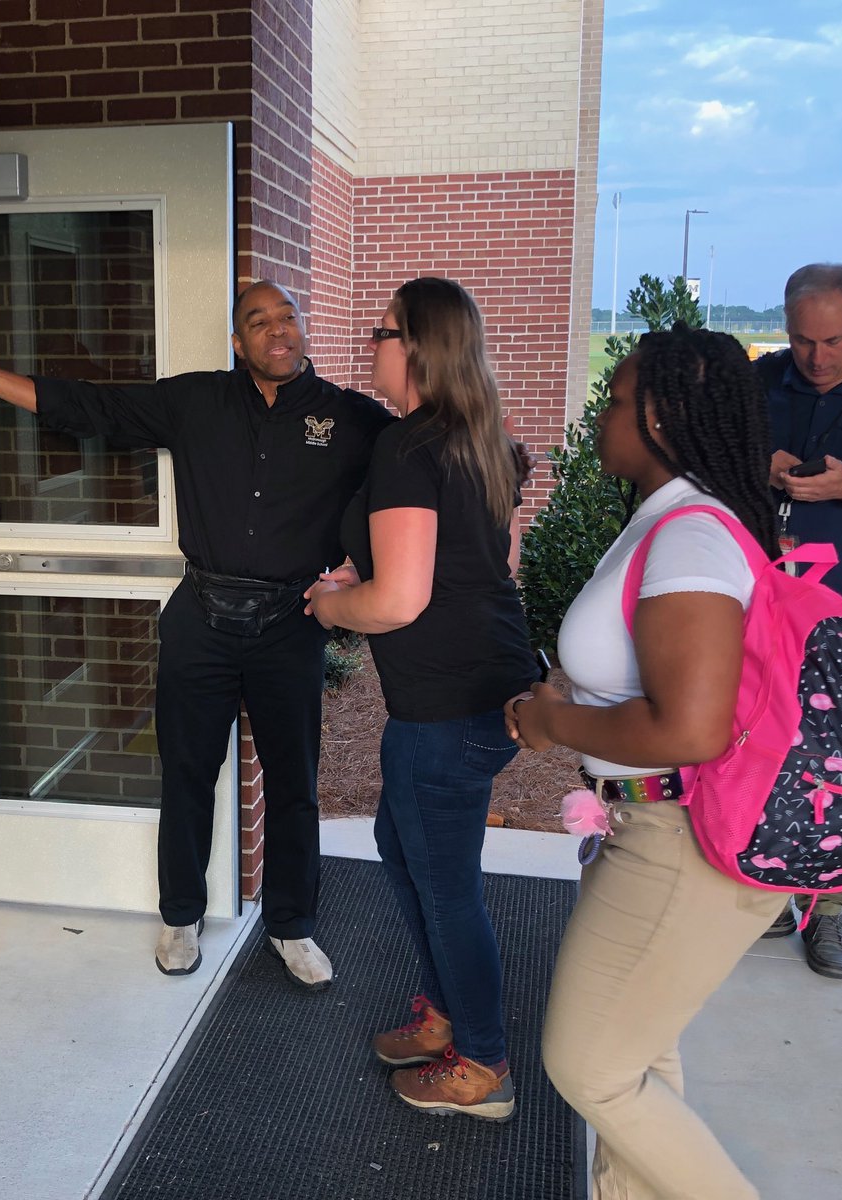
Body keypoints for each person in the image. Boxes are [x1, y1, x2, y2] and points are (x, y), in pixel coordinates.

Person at [0, 281, 394, 989]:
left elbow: (402, 492)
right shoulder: (195, 401)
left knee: (293, 787)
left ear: (301, 328)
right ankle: (181, 915)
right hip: (202, 622)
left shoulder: (353, 420)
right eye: (258, 321)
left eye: (287, 317)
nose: (277, 330)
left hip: (290, 624)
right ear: (236, 341)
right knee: (188, 774)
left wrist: (357, 568)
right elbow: (92, 407)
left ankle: (291, 926)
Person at [505, 325, 785, 1198]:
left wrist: (555, 725)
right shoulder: (668, 519)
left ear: (661, 417)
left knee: (588, 1068)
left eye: (618, 401)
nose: (602, 416)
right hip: (644, 825)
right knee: (640, 1053)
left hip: (678, 838)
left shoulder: (693, 536)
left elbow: (691, 728)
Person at [306, 277, 537, 1121]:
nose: (373, 343)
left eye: (383, 331)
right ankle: (448, 1016)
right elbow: (484, 570)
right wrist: (365, 575)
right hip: (482, 690)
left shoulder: (409, 446)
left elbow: (399, 604)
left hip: (445, 710)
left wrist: (332, 604)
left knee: (443, 886)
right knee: (405, 854)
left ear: (415, 347)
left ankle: (483, 1065)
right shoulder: (476, 438)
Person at [757, 261, 842, 979]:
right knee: (766, 747)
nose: (817, 357)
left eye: (832, 341)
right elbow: (705, 451)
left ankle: (828, 909)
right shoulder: (761, 383)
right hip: (765, 605)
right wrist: (755, 463)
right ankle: (767, 886)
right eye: (802, 341)